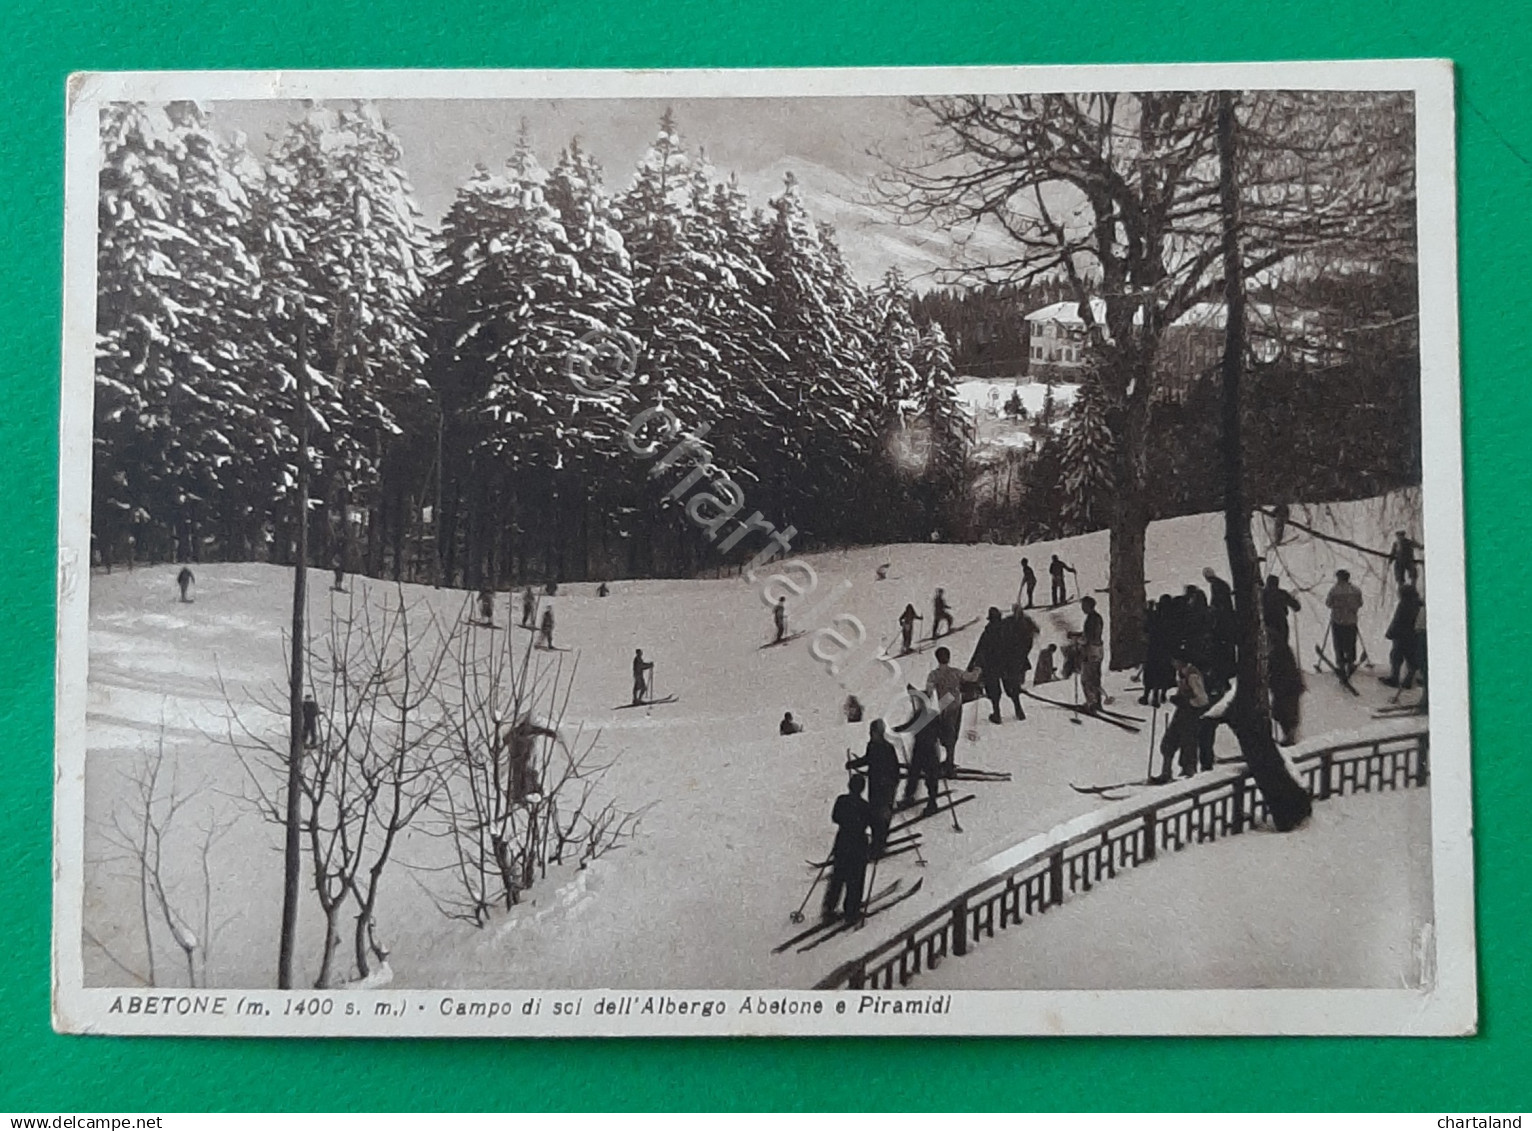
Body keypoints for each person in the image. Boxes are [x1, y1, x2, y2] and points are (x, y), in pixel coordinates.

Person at [821, 776, 874, 922]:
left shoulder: (842, 800)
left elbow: (835, 817)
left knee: (838, 876)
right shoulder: (865, 806)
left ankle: (829, 907)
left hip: (842, 841)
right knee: (855, 879)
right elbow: (871, 822)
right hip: (858, 844)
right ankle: (852, 910)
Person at [846, 719, 902, 856]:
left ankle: (879, 844)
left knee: (883, 816)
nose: (870, 734)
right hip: (875, 787)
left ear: (879, 733)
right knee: (874, 814)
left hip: (886, 788)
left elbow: (895, 769)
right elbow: (868, 759)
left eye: (873, 732)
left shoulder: (888, 748)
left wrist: (891, 784)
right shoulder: (872, 746)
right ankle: (877, 842)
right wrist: (853, 764)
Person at [1154, 655, 1210, 783]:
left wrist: (1187, 702)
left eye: (1174, 661)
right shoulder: (1181, 673)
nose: (1173, 664)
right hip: (1182, 713)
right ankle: (1166, 772)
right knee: (1169, 741)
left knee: (1188, 743)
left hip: (1192, 715)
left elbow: (1202, 700)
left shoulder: (1192, 676)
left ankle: (1189, 772)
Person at [925, 646, 978, 776]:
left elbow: (929, 691)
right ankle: (949, 762)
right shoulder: (956, 672)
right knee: (952, 735)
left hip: (943, 705)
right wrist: (978, 669)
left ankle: (945, 761)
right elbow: (972, 678)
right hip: (956, 705)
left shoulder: (934, 674)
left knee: (945, 734)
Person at [894, 687, 944, 815]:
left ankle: (932, 802)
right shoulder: (929, 714)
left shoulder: (930, 715)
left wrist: (899, 729)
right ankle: (910, 796)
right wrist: (897, 729)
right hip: (921, 748)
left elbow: (910, 727)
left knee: (929, 776)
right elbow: (910, 726)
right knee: (914, 773)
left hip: (928, 749)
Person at [1383, 582, 1424, 689]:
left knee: (1396, 657)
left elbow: (1398, 620)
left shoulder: (1404, 604)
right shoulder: (1419, 604)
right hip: (1413, 635)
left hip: (1401, 635)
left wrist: (1390, 632)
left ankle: (1394, 678)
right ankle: (1408, 680)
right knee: (1411, 658)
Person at [1324, 569, 1365, 677]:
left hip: (1338, 620)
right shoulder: (1355, 590)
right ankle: (1350, 662)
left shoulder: (1334, 590)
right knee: (1351, 642)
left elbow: (1328, 603)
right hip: (1351, 620)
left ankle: (1341, 663)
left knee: (1339, 643)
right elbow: (1360, 603)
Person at [1202, 568, 1238, 687]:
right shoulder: (1222, 584)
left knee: (1221, 653)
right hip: (1229, 622)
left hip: (1222, 624)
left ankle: (1223, 678)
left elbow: (1217, 603)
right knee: (1228, 650)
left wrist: (1212, 611)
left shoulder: (1215, 586)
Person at [1141, 595, 1176, 708]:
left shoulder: (1156, 616)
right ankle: (1161, 694)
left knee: (1151, 671)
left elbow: (1147, 627)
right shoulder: (1172, 618)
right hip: (1166, 650)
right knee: (1164, 672)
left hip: (1154, 648)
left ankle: (1147, 694)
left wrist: (1149, 610)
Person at [1078, 596, 1105, 712]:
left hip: (1091, 650)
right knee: (1095, 677)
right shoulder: (1098, 617)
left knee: (1087, 678)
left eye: (1084, 606)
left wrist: (1077, 640)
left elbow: (1087, 638)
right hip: (1099, 649)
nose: (1082, 608)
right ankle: (1097, 701)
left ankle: (1091, 703)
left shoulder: (1090, 620)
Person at [1261, 575, 1300, 649]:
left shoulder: (1263, 594)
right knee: (1282, 646)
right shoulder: (1282, 594)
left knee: (1269, 646)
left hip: (1268, 623)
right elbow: (1297, 607)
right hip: (1280, 623)